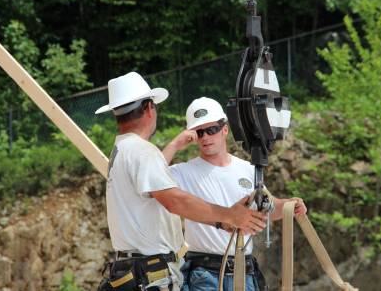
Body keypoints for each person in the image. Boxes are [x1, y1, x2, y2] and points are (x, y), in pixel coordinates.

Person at [95, 73, 266, 291]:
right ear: (149, 108)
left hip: (132, 271)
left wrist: (220, 221)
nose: (205, 136)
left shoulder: (122, 151)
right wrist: (229, 214)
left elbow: (156, 178)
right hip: (148, 274)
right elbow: (176, 202)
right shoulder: (142, 152)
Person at [162, 97, 307, 291]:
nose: (205, 137)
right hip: (204, 274)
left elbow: (268, 208)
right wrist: (175, 144)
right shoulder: (182, 172)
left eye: (211, 129)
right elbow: (151, 178)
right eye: (199, 132)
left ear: (225, 129)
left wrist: (289, 207)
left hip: (243, 273)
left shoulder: (247, 169)